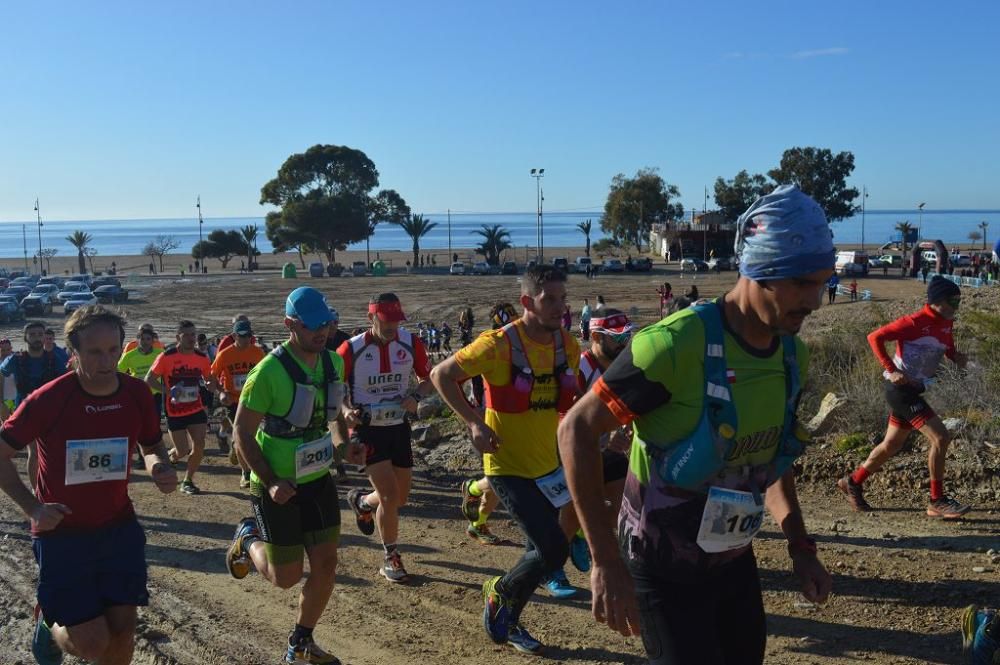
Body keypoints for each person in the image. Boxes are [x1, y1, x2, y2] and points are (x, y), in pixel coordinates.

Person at [558, 184, 833, 664]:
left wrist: (800, 545)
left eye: (822, 282)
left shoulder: (792, 356)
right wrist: (604, 562)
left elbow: (770, 457)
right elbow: (576, 429)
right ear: (759, 271)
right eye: (802, 283)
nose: (815, 300)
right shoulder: (674, 345)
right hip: (660, 570)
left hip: (732, 562)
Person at [0, 305, 177, 665]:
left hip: (118, 528)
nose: (107, 360)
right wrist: (32, 507)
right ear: (73, 352)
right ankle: (49, 623)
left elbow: (151, 443)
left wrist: (158, 464)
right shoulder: (48, 399)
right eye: (94, 352)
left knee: (123, 635)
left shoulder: (136, 394)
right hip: (61, 531)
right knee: (95, 643)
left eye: (114, 350)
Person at [431, 265, 581, 654]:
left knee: (545, 549)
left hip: (548, 465)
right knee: (551, 549)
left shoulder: (568, 344)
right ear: (527, 302)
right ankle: (499, 591)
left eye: (563, 299)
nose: (560, 307)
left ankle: (507, 613)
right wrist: (473, 423)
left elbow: (569, 403)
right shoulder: (497, 344)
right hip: (505, 466)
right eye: (550, 299)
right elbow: (441, 375)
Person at [225, 286, 360, 665]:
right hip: (276, 485)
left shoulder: (334, 362)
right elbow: (241, 434)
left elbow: (330, 417)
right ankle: (247, 536)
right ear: (290, 325)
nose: (323, 332)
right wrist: (269, 481)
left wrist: (344, 447)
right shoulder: (267, 373)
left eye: (327, 324)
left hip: (317, 479)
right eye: (313, 326)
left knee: (326, 564)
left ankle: (300, 642)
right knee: (285, 578)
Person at [837, 276, 971, 519]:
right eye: (953, 301)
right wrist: (891, 369)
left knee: (892, 445)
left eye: (959, 301)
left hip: (914, 390)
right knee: (941, 437)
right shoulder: (912, 322)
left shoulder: (946, 322)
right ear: (936, 300)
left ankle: (853, 482)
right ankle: (936, 501)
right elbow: (874, 337)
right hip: (900, 391)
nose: (956, 306)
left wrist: (956, 357)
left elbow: (946, 345)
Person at [340, 293, 434, 583]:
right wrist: (346, 411)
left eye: (396, 320)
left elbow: (429, 378)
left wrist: (416, 395)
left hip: (397, 426)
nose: (392, 326)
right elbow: (334, 386)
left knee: (399, 497)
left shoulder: (410, 343)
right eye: (386, 320)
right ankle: (391, 557)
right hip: (367, 430)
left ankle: (364, 503)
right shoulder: (350, 349)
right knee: (390, 496)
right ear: (371, 319)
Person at [458, 303, 518, 546]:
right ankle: (472, 489)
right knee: (501, 475)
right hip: (486, 421)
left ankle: (477, 523)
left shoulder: (518, 349)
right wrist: (472, 414)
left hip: (508, 420)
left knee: (500, 476)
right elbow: (453, 378)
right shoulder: (486, 349)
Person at [146, 321, 220, 495]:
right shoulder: (166, 357)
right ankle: (172, 456)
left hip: (195, 408)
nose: (191, 338)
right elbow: (149, 379)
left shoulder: (201, 358)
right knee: (182, 450)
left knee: (199, 445)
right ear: (178, 337)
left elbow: (209, 378)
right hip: (175, 411)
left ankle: (188, 480)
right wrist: (167, 391)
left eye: (193, 334)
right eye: (186, 335)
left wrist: (211, 384)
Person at [0, 322, 70, 484]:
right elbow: (1, 374)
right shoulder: (15, 360)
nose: (37, 338)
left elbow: (67, 380)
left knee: (54, 451)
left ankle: (51, 486)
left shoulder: (56, 359)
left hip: (52, 413)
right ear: (26, 338)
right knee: (35, 451)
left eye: (40, 334)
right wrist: (1, 403)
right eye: (32, 334)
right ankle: (35, 491)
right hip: (26, 413)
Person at [211, 318, 265, 488]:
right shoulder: (225, 354)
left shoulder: (257, 353)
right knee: (241, 435)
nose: (246, 339)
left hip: (254, 400)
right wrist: (221, 392)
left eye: (249, 335)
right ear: (234, 336)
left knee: (252, 435)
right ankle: (246, 472)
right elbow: (211, 377)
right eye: (242, 335)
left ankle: (236, 447)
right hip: (233, 401)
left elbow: (266, 375)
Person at [117, 326, 165, 423]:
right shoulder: (129, 355)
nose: (145, 342)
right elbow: (118, 373)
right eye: (142, 339)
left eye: (148, 339)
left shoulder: (160, 354)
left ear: (153, 341)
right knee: (138, 421)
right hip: (136, 393)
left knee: (155, 421)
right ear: (137, 341)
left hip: (156, 393)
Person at [0, 338, 15, 422]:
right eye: (3, 350)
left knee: (17, 422)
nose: (5, 352)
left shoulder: (17, 361)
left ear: (11, 349)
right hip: (3, 400)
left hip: (15, 398)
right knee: (4, 423)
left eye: (8, 349)